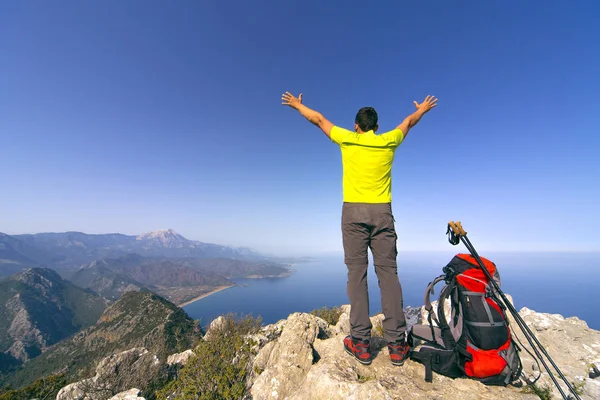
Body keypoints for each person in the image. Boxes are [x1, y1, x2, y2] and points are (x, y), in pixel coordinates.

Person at [281, 91, 438, 366]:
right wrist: (422, 109)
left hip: (353, 213)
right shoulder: (388, 141)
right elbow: (408, 122)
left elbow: (318, 120)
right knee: (388, 274)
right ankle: (397, 345)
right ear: (376, 127)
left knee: (357, 274)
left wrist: (297, 105)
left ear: (357, 126)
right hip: (382, 213)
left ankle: (361, 343)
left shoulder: (348, 139)